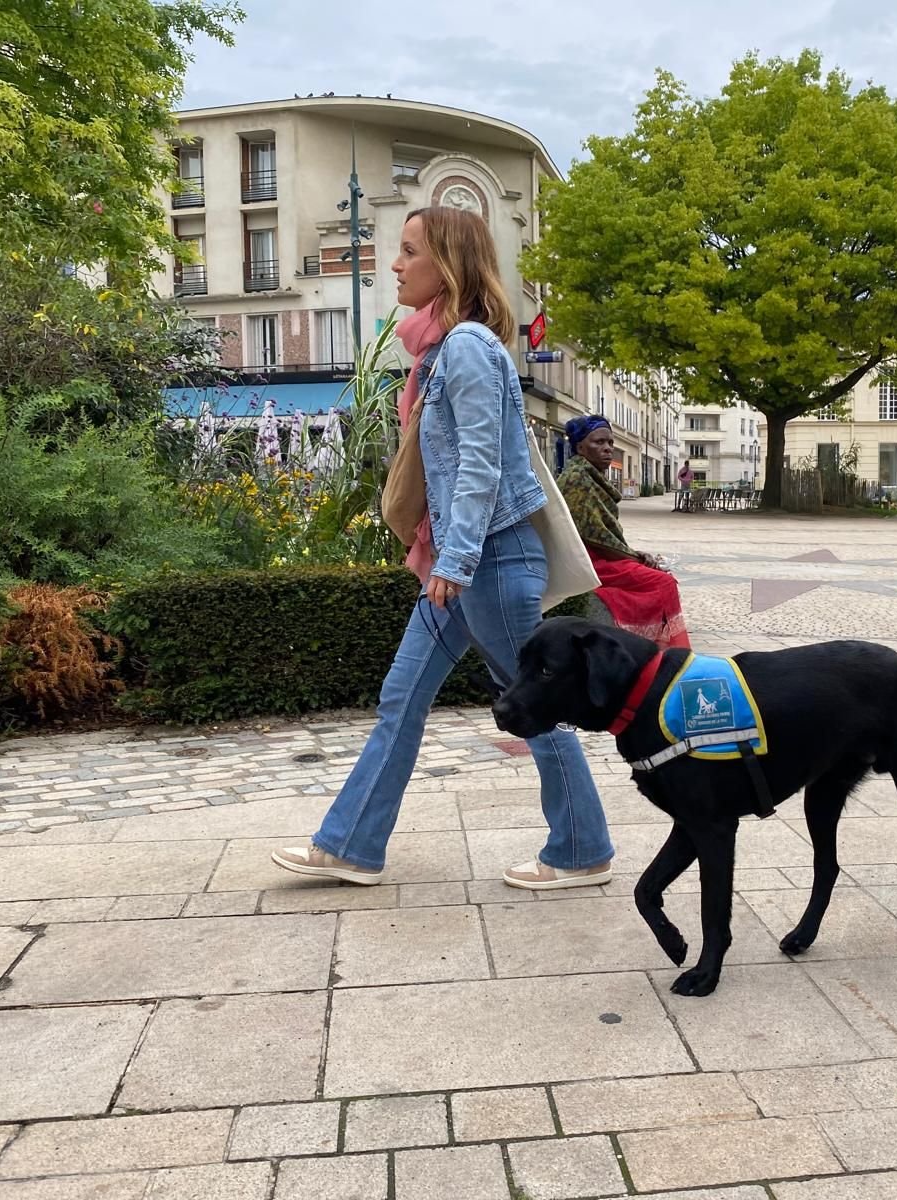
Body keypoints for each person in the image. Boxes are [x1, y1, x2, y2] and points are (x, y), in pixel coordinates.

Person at [272, 207, 613, 892]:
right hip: (462, 563)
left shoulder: (466, 348)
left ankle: (581, 848)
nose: (395, 266)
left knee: (533, 706)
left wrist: (454, 564)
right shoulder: (439, 349)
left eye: (408, 253)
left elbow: (482, 464)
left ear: (447, 265)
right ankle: (351, 845)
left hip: (486, 561)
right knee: (402, 696)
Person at [560, 416, 691, 649]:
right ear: (580, 447)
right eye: (599, 442)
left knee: (658, 576)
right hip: (590, 561)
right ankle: (665, 650)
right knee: (663, 582)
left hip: (598, 556)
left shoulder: (590, 476)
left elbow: (602, 535)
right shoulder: (578, 478)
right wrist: (635, 557)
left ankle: (657, 646)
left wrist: (633, 554)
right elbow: (593, 536)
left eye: (610, 442)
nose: (608, 448)